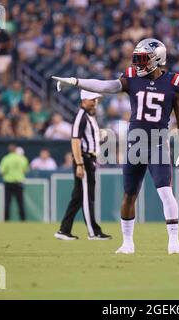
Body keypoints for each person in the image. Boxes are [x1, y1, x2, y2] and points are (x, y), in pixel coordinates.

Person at [52, 38, 179, 254]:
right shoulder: (132, 78)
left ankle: (174, 242)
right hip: (135, 143)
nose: (138, 64)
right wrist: (76, 81)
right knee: (129, 194)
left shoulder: (174, 83)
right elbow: (106, 86)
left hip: (157, 143)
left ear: (158, 59)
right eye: (137, 59)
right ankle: (127, 242)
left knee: (165, 191)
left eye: (143, 59)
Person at [54, 90, 111, 241]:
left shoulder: (89, 116)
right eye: (93, 100)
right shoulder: (81, 116)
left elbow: (87, 140)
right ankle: (94, 232)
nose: (95, 102)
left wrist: (100, 139)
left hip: (89, 158)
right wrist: (79, 163)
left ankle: (64, 230)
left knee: (78, 197)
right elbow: (75, 141)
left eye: (96, 100)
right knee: (87, 196)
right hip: (84, 159)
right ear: (84, 100)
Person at [0, 144, 29, 221]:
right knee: (20, 203)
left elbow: (1, 171)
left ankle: (6, 220)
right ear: (16, 150)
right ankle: (23, 220)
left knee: (7, 203)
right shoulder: (22, 158)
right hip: (19, 183)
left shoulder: (6, 159)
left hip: (8, 183)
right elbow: (26, 170)